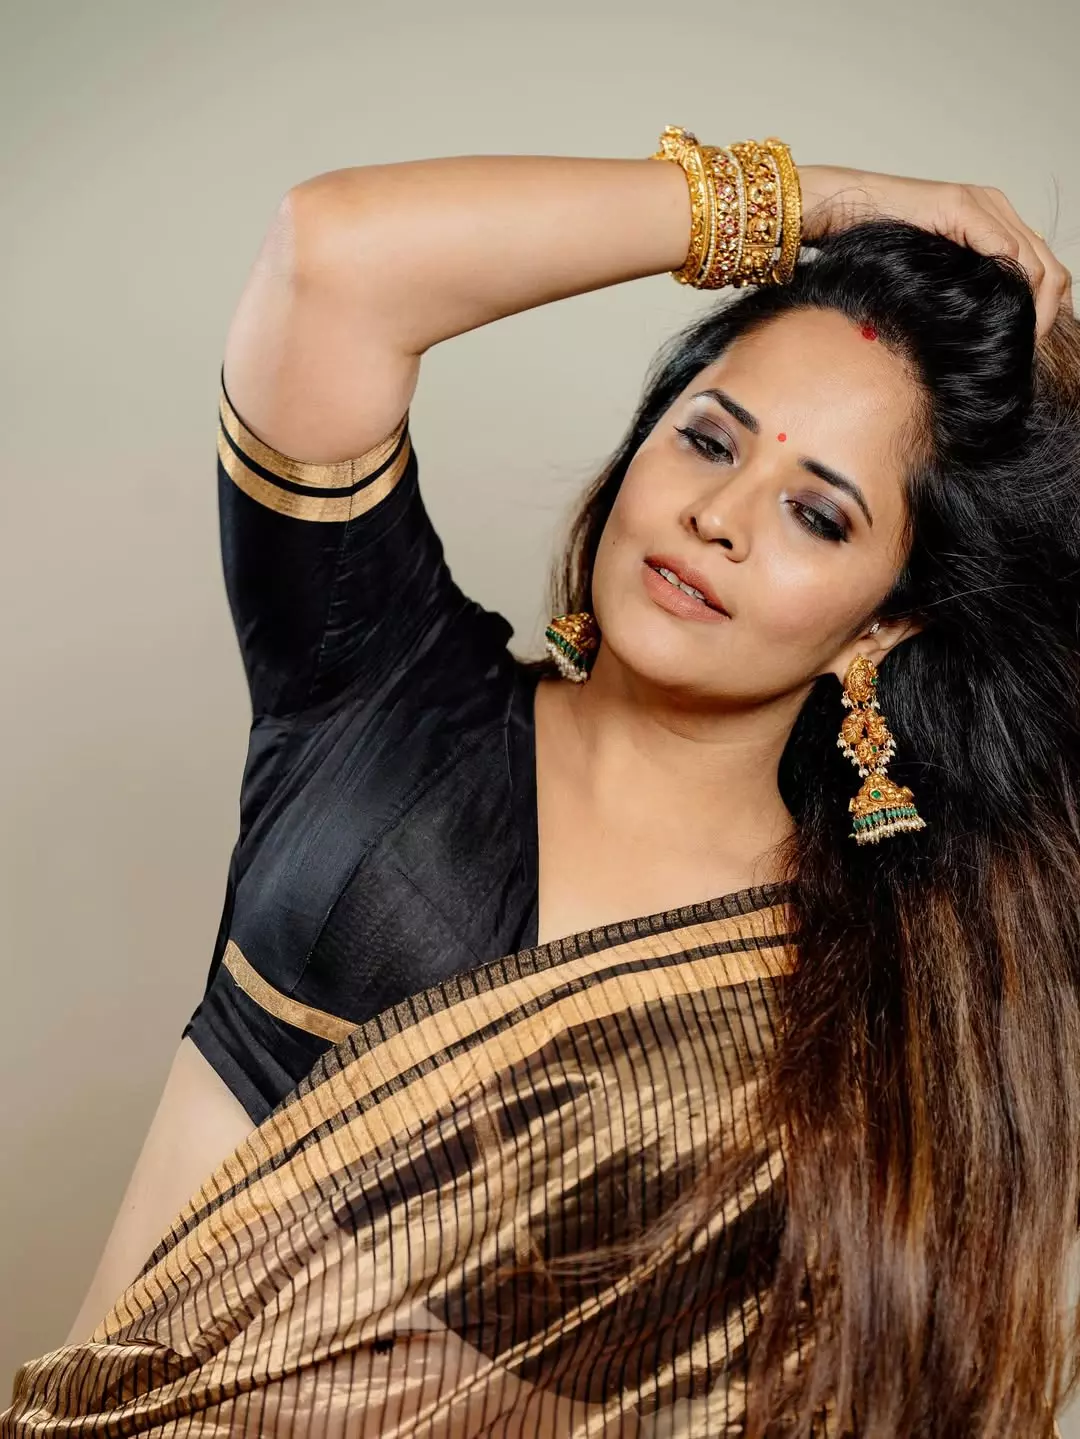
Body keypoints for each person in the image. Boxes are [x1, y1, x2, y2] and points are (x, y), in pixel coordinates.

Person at [5, 131, 1079, 1436]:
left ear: (882, 627)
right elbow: (335, 260)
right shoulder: (379, 686)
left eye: (818, 514)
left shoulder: (855, 998)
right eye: (708, 439)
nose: (721, 515)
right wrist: (821, 203)